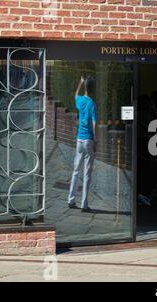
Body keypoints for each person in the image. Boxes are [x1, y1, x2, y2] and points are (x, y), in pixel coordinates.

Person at [68, 76, 97, 212]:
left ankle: (71, 200)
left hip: (79, 139)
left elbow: (75, 95)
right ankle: (84, 204)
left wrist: (79, 83)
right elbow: (94, 122)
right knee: (87, 173)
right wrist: (95, 140)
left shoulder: (80, 100)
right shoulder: (92, 103)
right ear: (93, 89)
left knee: (76, 171)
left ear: (85, 88)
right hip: (89, 140)